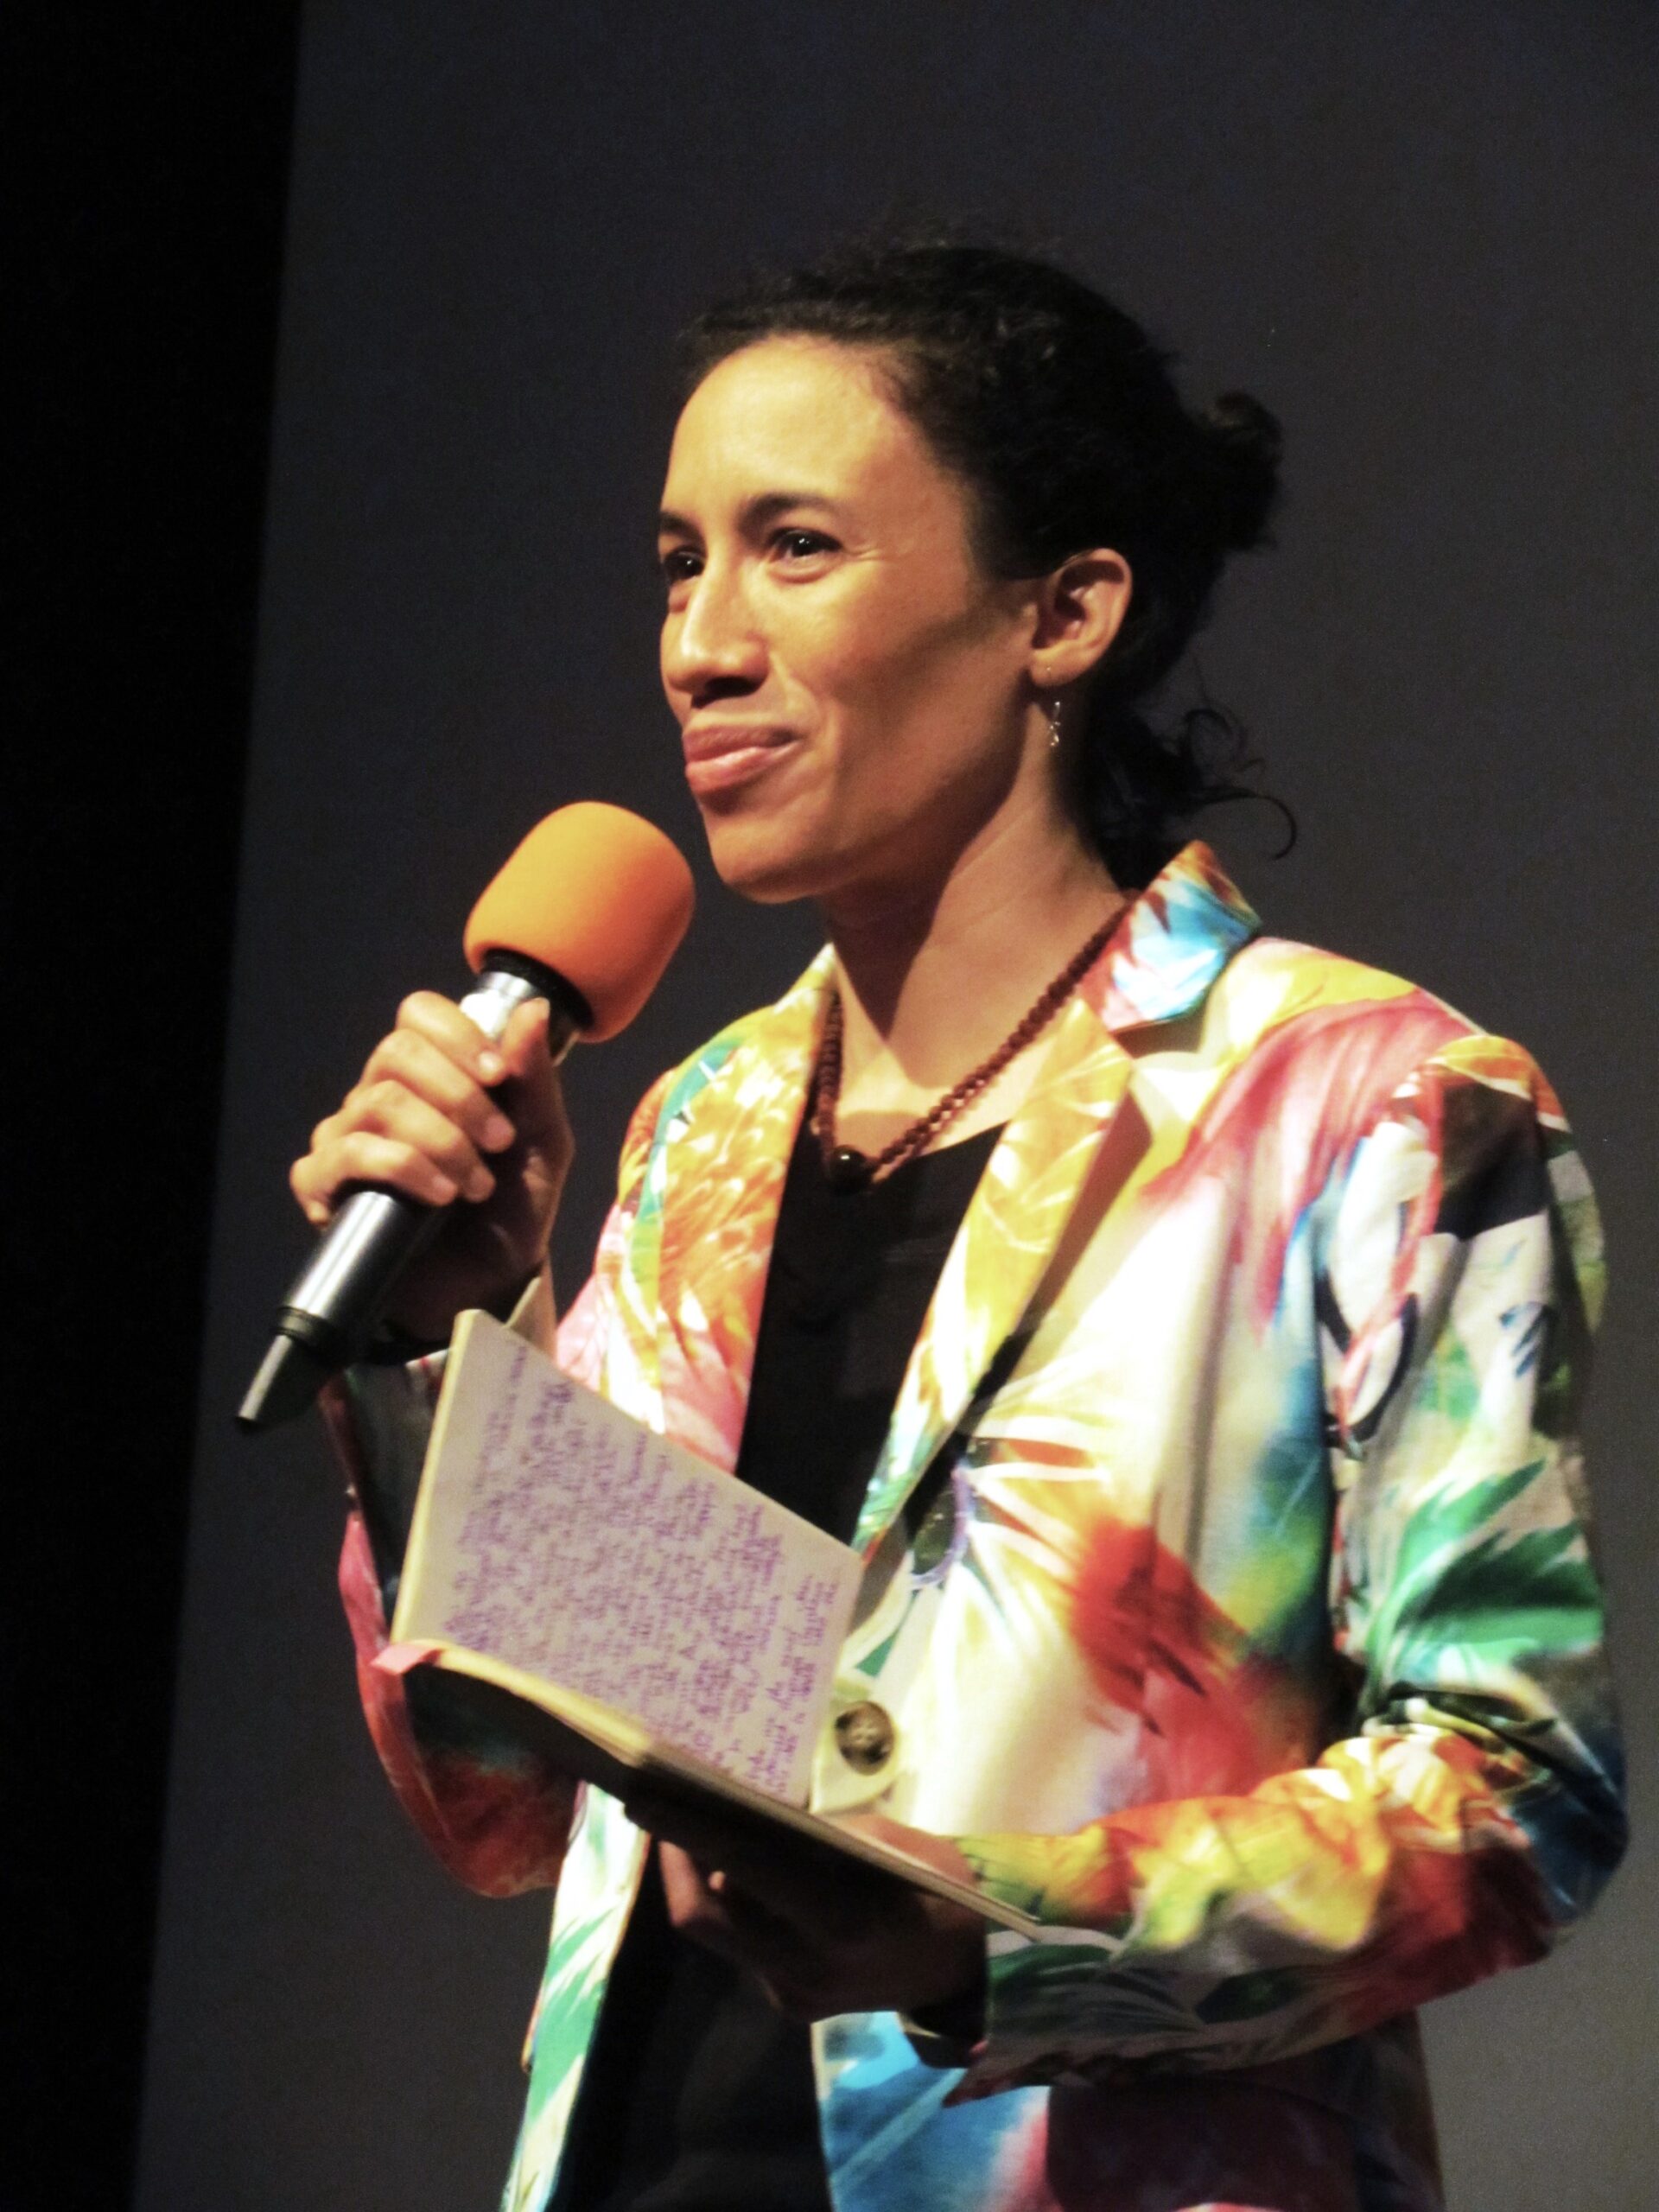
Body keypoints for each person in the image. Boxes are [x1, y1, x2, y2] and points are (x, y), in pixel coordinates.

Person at [296, 239, 1626, 2212]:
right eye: (680, 562)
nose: (700, 643)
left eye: (796, 548)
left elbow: (1512, 1792)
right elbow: (505, 1803)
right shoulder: (707, 1129)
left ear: (1063, 608)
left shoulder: (1368, 1101)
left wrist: (985, 1935)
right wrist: (441, 1351)